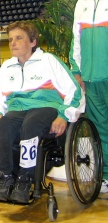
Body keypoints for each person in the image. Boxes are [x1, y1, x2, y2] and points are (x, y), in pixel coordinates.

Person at [0, 21, 85, 203]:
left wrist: (63, 115)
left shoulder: (48, 60)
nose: (13, 43)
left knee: (30, 124)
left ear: (33, 41)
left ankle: (25, 179)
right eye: (10, 40)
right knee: (4, 126)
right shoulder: (7, 67)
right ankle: (4, 178)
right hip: (17, 109)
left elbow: (74, 91)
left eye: (19, 38)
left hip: (45, 108)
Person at [69, 0, 108, 193]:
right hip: (91, 79)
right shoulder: (81, 3)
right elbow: (75, 40)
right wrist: (76, 70)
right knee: (100, 130)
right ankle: (106, 175)